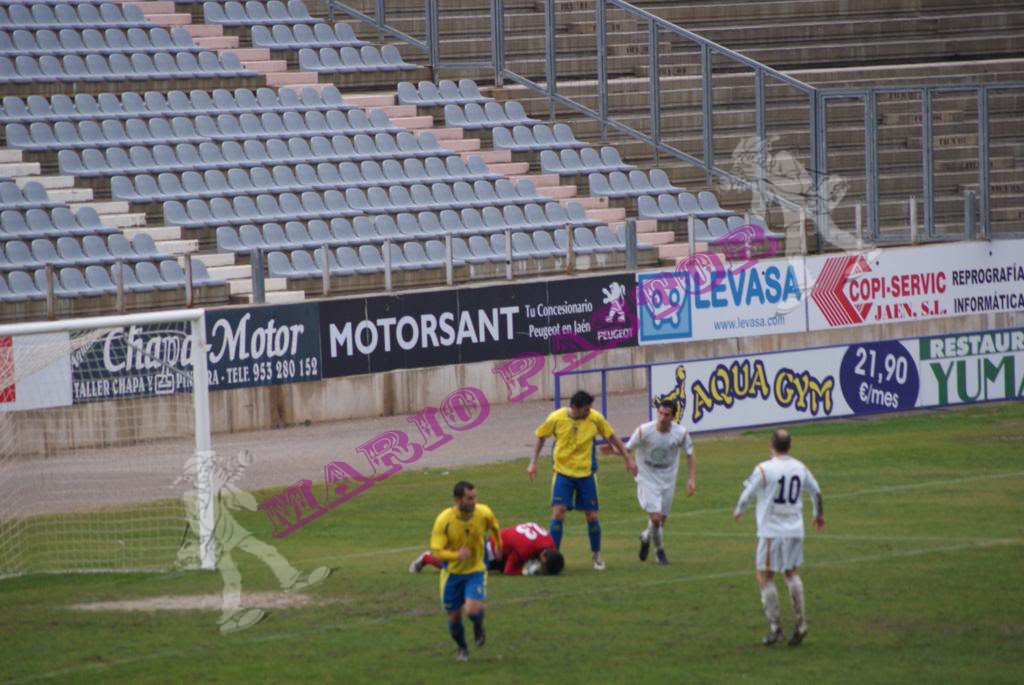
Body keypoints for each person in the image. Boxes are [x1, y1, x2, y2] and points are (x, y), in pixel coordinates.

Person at [733, 429, 824, 647]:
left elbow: (747, 495)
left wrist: (739, 510)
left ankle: (776, 628)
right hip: (795, 530)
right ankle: (801, 624)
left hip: (771, 531)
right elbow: (816, 491)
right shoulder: (800, 467)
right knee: (791, 573)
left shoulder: (764, 469)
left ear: (770, 446)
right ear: (790, 446)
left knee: (764, 576)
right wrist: (818, 514)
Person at [530, 390, 637, 571]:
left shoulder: (595, 418)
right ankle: (552, 557)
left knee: (591, 515)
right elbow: (540, 437)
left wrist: (628, 458)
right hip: (563, 473)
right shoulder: (556, 418)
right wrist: (533, 462)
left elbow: (612, 437)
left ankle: (596, 556)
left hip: (586, 474)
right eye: (586, 409)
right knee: (558, 513)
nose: (589, 412)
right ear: (574, 407)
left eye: (589, 408)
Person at [429, 481, 502, 662]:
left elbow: (495, 527)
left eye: (474, 497)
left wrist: (499, 545)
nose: (474, 502)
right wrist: (456, 555)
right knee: (454, 618)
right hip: (452, 575)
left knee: (471, 610)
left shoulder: (483, 513)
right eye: (469, 498)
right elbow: (437, 552)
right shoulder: (444, 520)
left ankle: (478, 625)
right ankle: (462, 648)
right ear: (457, 499)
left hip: (476, 570)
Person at [618, 399, 696, 565]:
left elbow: (690, 454)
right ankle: (659, 551)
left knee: (660, 522)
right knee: (655, 518)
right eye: (660, 413)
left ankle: (646, 536)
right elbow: (627, 449)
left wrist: (691, 479)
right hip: (646, 478)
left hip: (668, 480)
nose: (662, 417)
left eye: (666, 415)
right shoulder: (644, 431)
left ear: (673, 417)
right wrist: (617, 454)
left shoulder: (681, 433)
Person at [411, 521, 565, 577]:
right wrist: (526, 572)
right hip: (493, 548)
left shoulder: (550, 542)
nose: (542, 568)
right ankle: (426, 558)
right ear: (544, 557)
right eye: (544, 566)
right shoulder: (527, 549)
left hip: (506, 543)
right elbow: (509, 570)